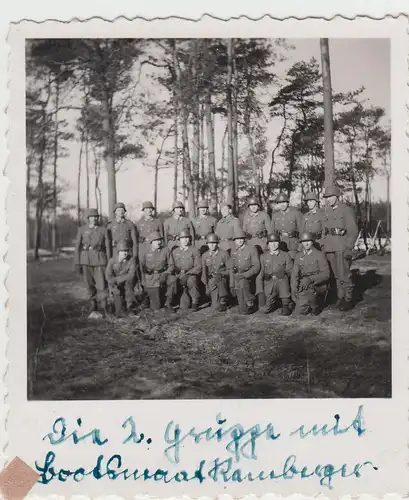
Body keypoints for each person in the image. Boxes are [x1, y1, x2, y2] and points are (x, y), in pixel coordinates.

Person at [322, 185, 359, 311]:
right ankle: (340, 297)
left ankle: (348, 299)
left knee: (344, 274)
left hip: (342, 246)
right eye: (327, 197)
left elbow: (353, 230)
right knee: (336, 274)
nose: (329, 199)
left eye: (331, 196)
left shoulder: (346, 210)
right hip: (330, 247)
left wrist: (349, 247)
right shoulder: (328, 211)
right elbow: (325, 230)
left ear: (337, 196)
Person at [74, 208, 110, 315]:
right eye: (91, 217)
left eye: (95, 217)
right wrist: (77, 262)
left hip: (100, 260)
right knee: (89, 285)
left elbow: (108, 247)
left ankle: (104, 306)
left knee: (102, 284)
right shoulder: (82, 229)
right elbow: (77, 247)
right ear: (88, 218)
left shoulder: (103, 230)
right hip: (86, 260)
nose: (93, 219)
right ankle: (93, 305)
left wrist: (108, 261)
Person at [291, 232, 330, 315]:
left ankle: (315, 304)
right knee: (299, 311)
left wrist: (310, 279)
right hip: (304, 285)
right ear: (301, 243)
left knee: (308, 302)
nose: (306, 243)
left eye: (308, 241)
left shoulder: (319, 255)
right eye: (304, 241)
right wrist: (294, 289)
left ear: (312, 242)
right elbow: (295, 275)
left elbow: (326, 274)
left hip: (318, 285)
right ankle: (309, 303)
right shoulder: (298, 256)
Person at [256, 233, 293, 315]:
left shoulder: (286, 255)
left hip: (282, 282)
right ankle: (274, 302)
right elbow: (260, 275)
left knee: (283, 278)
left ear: (279, 243)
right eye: (271, 242)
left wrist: (283, 272)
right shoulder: (263, 256)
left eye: (275, 242)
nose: (273, 244)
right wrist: (260, 292)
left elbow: (291, 271)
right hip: (269, 284)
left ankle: (286, 303)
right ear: (268, 244)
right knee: (264, 310)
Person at [139, 232, 175, 311]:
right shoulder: (145, 252)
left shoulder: (165, 250)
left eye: (160, 240)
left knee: (172, 279)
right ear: (151, 242)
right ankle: (148, 299)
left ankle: (168, 303)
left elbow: (171, 265)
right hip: (151, 278)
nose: (159, 242)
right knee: (156, 307)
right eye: (156, 241)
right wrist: (144, 282)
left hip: (163, 274)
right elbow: (141, 269)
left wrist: (166, 273)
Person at [229, 228, 261, 314]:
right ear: (234, 241)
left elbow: (256, 266)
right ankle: (245, 304)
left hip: (248, 276)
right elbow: (231, 268)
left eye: (241, 239)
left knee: (242, 282)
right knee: (243, 310)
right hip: (237, 276)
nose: (239, 241)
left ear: (244, 239)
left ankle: (250, 301)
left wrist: (245, 275)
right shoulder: (233, 250)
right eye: (237, 239)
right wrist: (231, 283)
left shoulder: (252, 249)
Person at [170, 230, 202, 312]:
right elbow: (171, 265)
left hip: (190, 274)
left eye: (187, 238)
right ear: (179, 239)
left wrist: (188, 274)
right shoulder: (175, 251)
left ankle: (195, 301)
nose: (185, 240)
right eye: (183, 238)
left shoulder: (195, 250)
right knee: (184, 306)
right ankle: (170, 302)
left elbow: (198, 267)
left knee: (192, 280)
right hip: (178, 275)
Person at [105, 241, 137, 317]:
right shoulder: (112, 261)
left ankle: (129, 307)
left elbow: (131, 274)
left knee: (129, 285)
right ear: (118, 252)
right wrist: (114, 282)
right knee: (118, 311)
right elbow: (108, 275)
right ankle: (116, 306)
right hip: (115, 284)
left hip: (126, 282)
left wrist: (118, 279)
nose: (125, 253)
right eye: (123, 251)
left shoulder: (131, 260)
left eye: (126, 251)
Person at [201, 233, 229, 312]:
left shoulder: (224, 254)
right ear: (207, 244)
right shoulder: (204, 256)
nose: (212, 245)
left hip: (221, 279)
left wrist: (222, 274)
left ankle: (223, 298)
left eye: (214, 243)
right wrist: (206, 286)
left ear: (217, 243)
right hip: (211, 280)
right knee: (214, 307)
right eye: (210, 243)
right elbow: (204, 272)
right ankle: (218, 298)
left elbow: (230, 270)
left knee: (218, 308)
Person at [271, 193, 303, 259]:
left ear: (288, 203)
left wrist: (300, 247)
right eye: (280, 203)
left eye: (284, 202)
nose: (282, 205)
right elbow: (272, 233)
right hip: (280, 245)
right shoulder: (275, 216)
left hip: (293, 245)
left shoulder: (296, 214)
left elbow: (302, 231)